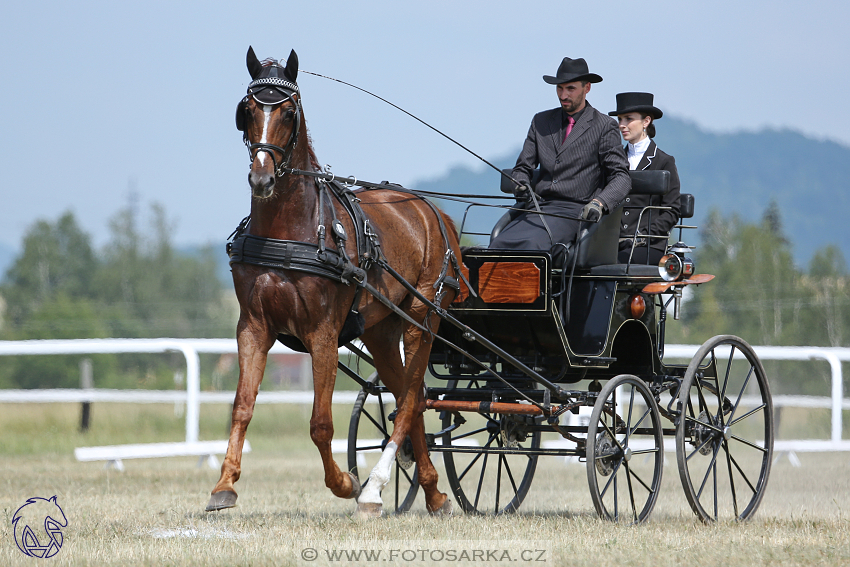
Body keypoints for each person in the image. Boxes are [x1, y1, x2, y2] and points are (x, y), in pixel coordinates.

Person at [489, 57, 630, 262]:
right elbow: (522, 167)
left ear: (587, 88)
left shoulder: (603, 126)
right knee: (498, 244)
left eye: (570, 89)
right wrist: (520, 183)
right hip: (538, 208)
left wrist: (599, 203)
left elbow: (621, 177)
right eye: (559, 88)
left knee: (530, 246)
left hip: (576, 212)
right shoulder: (541, 121)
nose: (563, 95)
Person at [609, 92, 681, 265]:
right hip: (613, 243)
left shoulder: (664, 162)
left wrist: (642, 236)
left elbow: (672, 210)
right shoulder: (613, 160)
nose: (622, 125)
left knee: (616, 263)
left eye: (628, 119)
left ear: (646, 121)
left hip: (649, 246)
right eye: (620, 119)